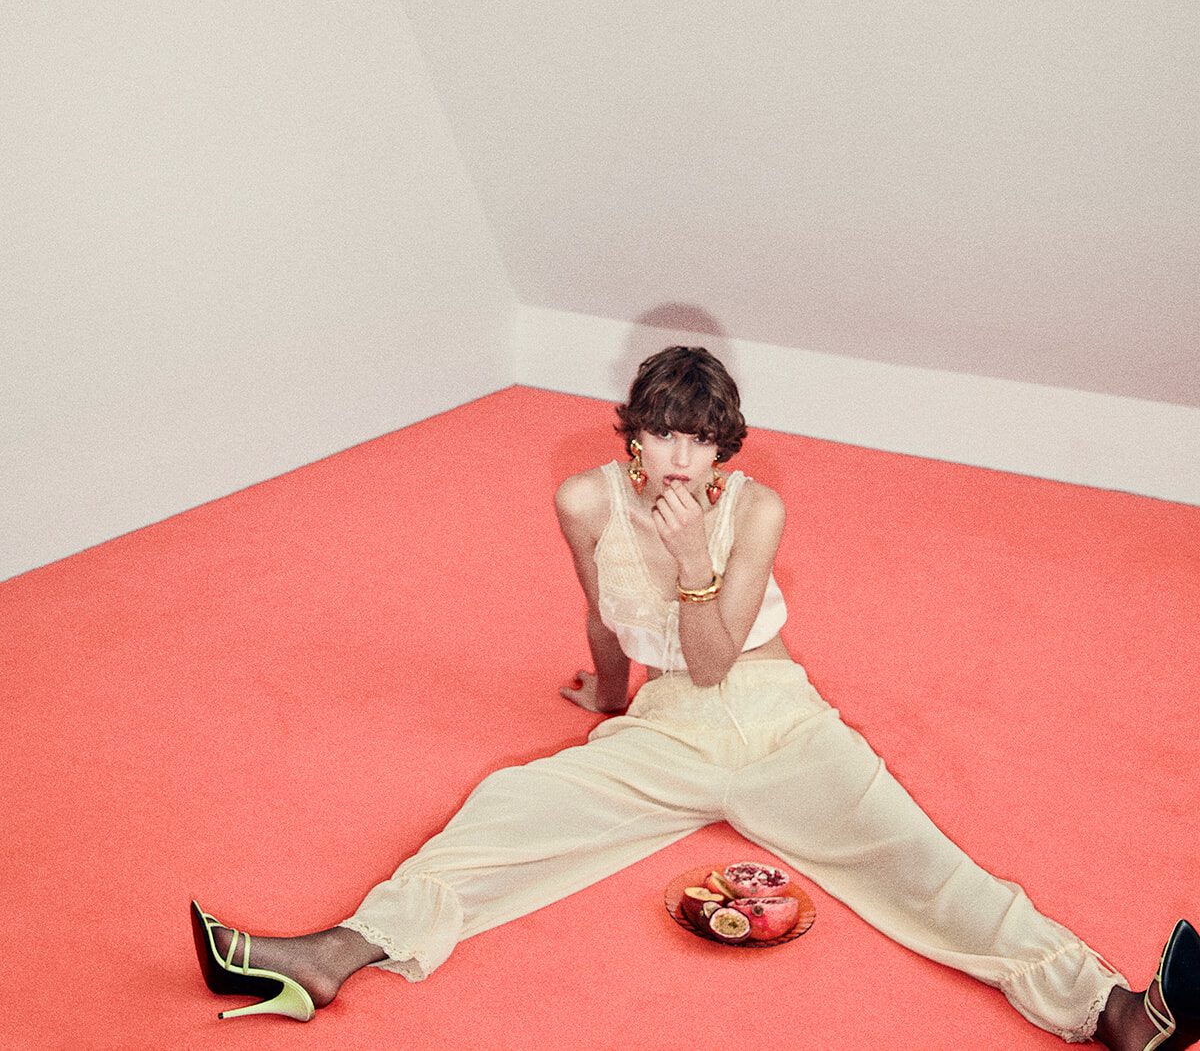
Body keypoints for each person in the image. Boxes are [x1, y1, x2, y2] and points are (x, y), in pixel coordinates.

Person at [192, 345, 1199, 1048]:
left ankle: (1114, 1011)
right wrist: (605, 692)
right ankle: (331, 954)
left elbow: (718, 659)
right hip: (666, 723)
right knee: (503, 816)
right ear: (633, 432)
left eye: (704, 443)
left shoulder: (756, 510)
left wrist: (690, 559)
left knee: (922, 863)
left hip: (775, 716)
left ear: (726, 451)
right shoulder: (584, 499)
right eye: (666, 434)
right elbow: (597, 608)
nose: (683, 460)